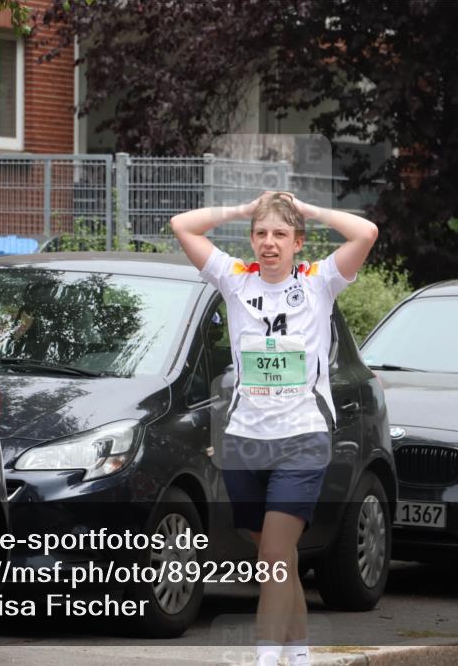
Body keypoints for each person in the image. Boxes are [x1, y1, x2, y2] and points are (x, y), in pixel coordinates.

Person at [171, 191, 378, 666]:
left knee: (273, 557)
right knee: (275, 555)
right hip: (245, 440)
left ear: (298, 242)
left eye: (280, 234)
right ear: (251, 240)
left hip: (302, 438)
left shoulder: (319, 282)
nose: (269, 242)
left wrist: (309, 209)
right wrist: (242, 209)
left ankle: (267, 657)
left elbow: (366, 232)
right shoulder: (233, 279)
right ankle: (300, 652)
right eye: (261, 233)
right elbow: (182, 224)